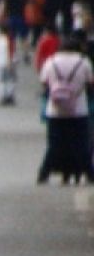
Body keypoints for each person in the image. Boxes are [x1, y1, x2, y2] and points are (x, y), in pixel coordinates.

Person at [37, 33, 94, 184]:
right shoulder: (84, 62)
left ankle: (45, 172)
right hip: (78, 110)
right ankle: (88, 173)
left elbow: (44, 82)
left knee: (55, 144)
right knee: (81, 143)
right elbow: (90, 83)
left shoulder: (51, 62)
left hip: (55, 110)